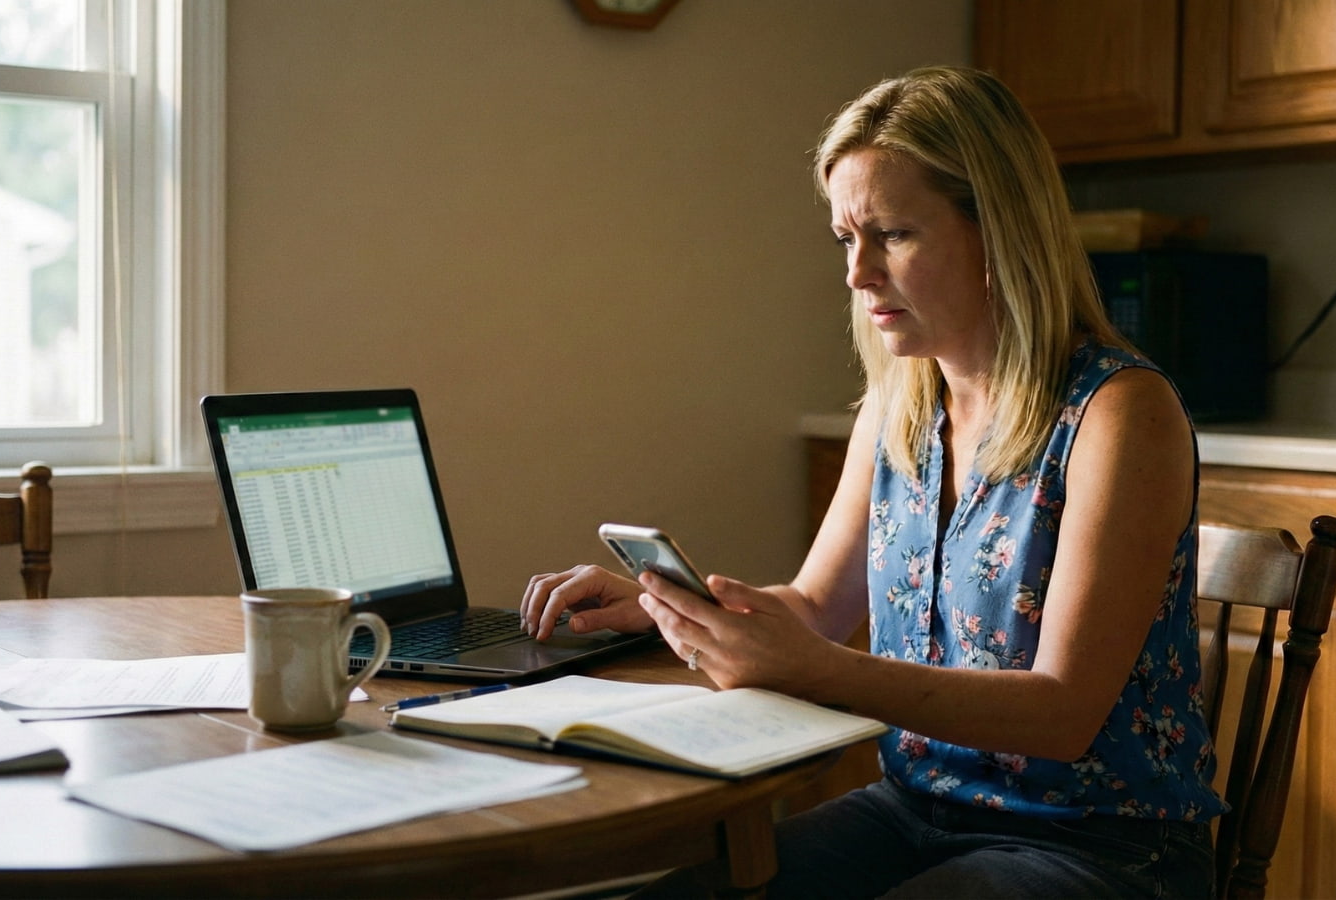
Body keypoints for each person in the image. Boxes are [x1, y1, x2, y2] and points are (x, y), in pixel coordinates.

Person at [521, 65, 1223, 899]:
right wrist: (668, 606)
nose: (857, 274)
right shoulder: (898, 409)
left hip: (1101, 848)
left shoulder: (1120, 414)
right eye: (846, 239)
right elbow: (816, 609)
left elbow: (1061, 715)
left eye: (891, 234)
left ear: (998, 231)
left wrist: (813, 665)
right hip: (914, 810)